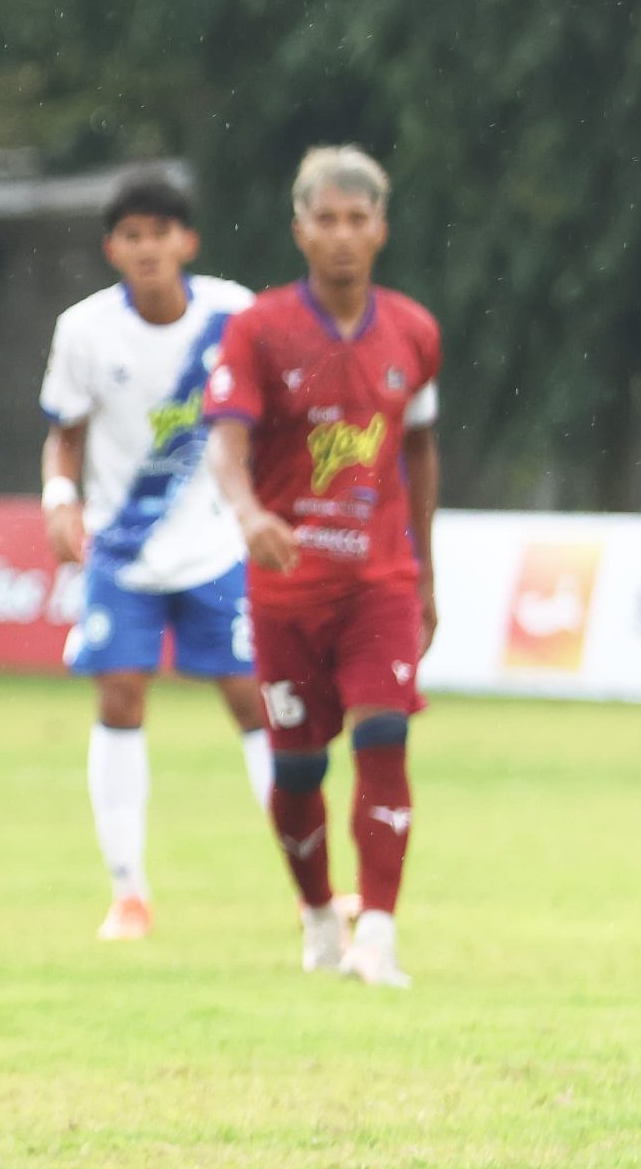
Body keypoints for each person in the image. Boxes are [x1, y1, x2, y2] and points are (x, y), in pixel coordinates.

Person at [202, 145, 440, 988]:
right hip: (287, 589)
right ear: (299, 229)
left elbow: (418, 449)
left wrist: (428, 574)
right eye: (325, 220)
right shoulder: (260, 329)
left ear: (381, 229)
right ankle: (316, 914)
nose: (342, 236)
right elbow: (224, 443)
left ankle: (377, 932)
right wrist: (250, 512)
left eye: (357, 219)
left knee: (386, 734)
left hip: (380, 581)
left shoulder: (414, 331)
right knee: (298, 768)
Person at [39, 175, 273, 942]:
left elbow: (268, 414)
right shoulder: (84, 329)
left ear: (187, 242)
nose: (147, 248)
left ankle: (311, 881)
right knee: (119, 701)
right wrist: (58, 497)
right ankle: (128, 891)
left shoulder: (234, 315)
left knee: (254, 701)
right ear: (113, 248)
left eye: (160, 232)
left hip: (217, 543)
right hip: (122, 548)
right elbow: (64, 432)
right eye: (131, 235)